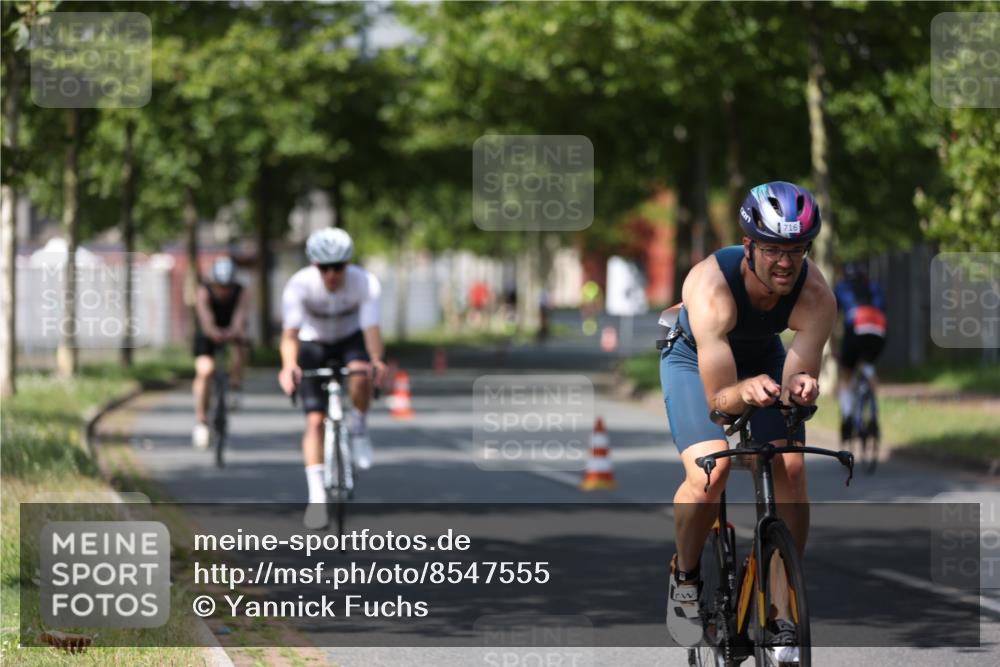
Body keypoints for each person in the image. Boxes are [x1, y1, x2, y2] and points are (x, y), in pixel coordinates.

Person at [659, 182, 836, 659]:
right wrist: (744, 391)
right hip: (694, 359)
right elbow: (720, 401)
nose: (785, 262)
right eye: (773, 250)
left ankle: (780, 609)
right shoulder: (711, 288)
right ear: (749, 246)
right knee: (710, 471)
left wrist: (801, 387)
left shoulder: (816, 295)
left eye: (796, 250)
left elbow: (798, 376)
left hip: (762, 355)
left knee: (790, 468)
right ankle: (685, 579)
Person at [277, 227, 387, 530]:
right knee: (314, 421)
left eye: (338, 267)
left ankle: (359, 429)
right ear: (314, 265)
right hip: (313, 342)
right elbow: (289, 335)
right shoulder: (299, 285)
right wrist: (288, 366)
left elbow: (371, 330)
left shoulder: (365, 282)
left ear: (347, 263)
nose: (331, 275)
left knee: (361, 374)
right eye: (324, 268)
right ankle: (316, 498)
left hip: (351, 338)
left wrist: (376, 360)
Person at [192, 256, 249, 449]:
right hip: (208, 332)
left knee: (241, 347)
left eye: (228, 287)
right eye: (220, 287)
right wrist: (213, 332)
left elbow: (240, 316)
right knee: (205, 370)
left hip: (232, 329)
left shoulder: (241, 292)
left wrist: (234, 331)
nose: (224, 291)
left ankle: (234, 386)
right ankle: (201, 421)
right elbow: (205, 318)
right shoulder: (203, 291)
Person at [834, 260, 887, 439]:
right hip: (878, 328)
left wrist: (834, 347)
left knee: (846, 373)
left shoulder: (842, 287)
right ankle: (874, 416)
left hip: (855, 327)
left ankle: (847, 416)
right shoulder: (875, 286)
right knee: (868, 364)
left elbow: (833, 317)